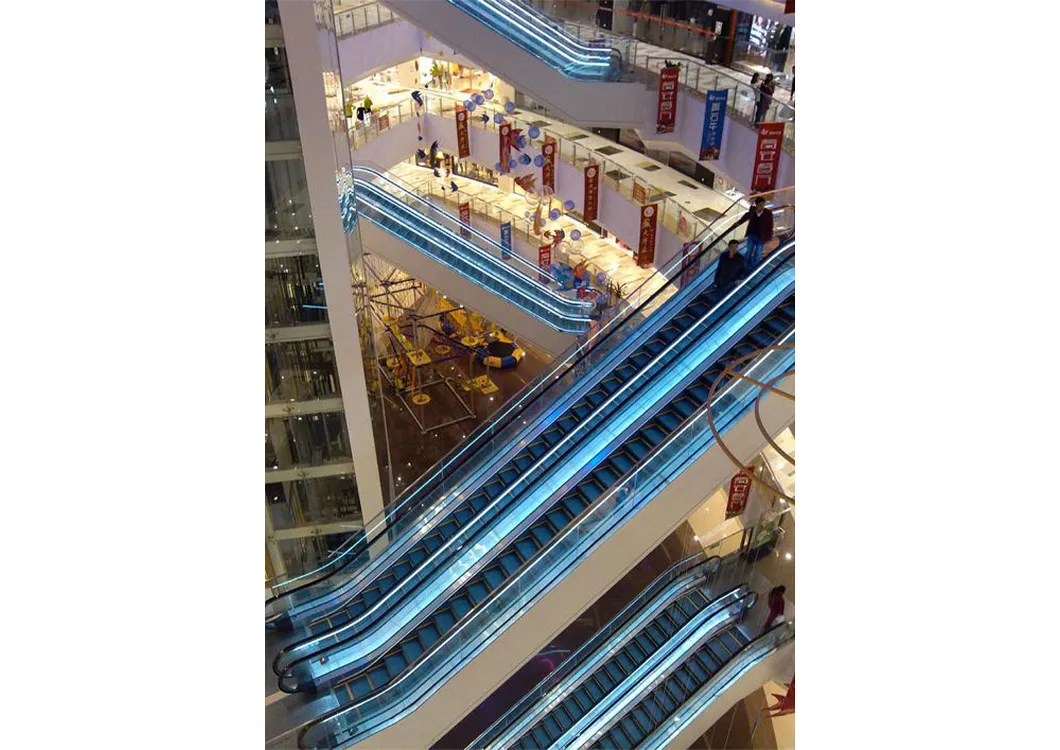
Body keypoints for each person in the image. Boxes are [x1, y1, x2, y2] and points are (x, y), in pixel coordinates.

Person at [733, 197, 774, 268]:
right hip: (752, 234)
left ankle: (754, 268)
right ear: (756, 205)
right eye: (760, 205)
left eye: (763, 205)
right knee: (749, 251)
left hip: (761, 236)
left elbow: (770, 226)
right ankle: (745, 267)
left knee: (758, 253)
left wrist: (769, 238)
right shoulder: (752, 210)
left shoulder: (768, 213)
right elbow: (746, 216)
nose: (762, 207)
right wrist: (738, 223)